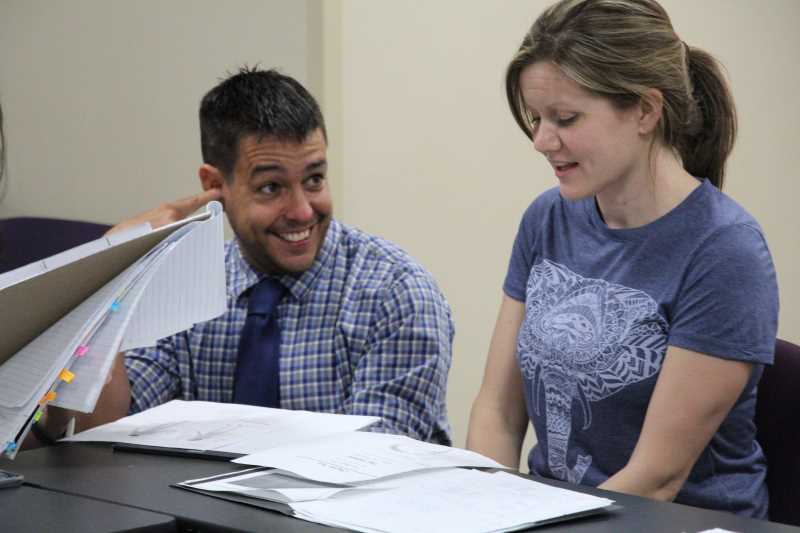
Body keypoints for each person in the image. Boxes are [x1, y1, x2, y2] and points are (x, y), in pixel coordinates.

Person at [466, 0, 778, 518]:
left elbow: (655, 479)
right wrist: (482, 511)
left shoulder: (726, 251)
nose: (543, 140)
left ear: (645, 111)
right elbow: (497, 410)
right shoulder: (546, 219)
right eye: (537, 118)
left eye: (565, 118)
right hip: (555, 517)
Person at [32, 67, 454, 447]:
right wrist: (116, 271)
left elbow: (378, 466)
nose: (303, 210)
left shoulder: (396, 294)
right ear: (215, 183)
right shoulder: (182, 294)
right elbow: (106, 440)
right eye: (271, 187)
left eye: (314, 179)